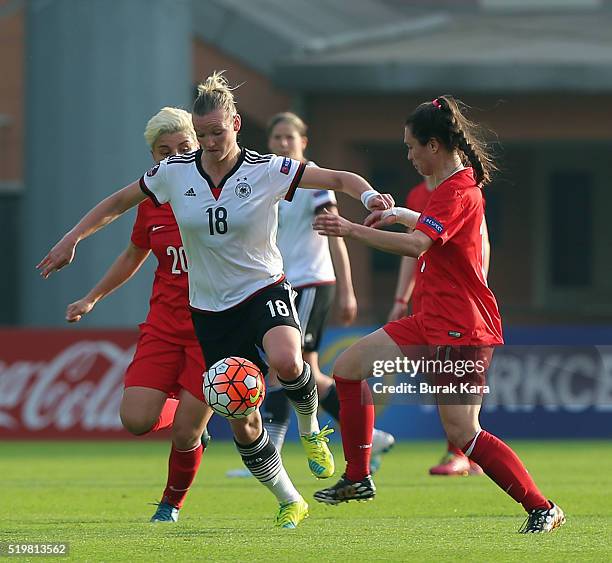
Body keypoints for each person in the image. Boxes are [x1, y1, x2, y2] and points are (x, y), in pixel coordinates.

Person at [37, 71, 393, 529]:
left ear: (237, 124)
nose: (207, 142)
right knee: (243, 419)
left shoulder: (269, 169)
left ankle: (310, 431)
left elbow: (340, 177)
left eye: (215, 132)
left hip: (263, 288)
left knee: (288, 358)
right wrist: (72, 239)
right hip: (210, 311)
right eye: (201, 134)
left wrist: (369, 195)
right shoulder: (173, 174)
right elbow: (117, 202)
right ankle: (289, 498)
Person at [312, 96, 565, 534]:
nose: (408, 156)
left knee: (465, 432)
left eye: (412, 147)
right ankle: (358, 476)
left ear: (433, 145)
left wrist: (351, 230)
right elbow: (432, 228)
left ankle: (542, 507)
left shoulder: (459, 189)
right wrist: (397, 214)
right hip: (429, 319)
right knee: (348, 367)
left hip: (461, 327)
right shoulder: (451, 189)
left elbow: (418, 245)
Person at [64, 107, 213, 523]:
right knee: (135, 419)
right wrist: (92, 297)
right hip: (164, 326)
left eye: (184, 147)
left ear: (198, 145)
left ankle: (170, 505)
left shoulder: (221, 193)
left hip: (212, 326)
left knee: (185, 433)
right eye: (163, 150)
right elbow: (134, 253)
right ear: (153, 156)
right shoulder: (152, 201)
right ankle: (199, 416)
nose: (174, 156)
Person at [227, 112, 395, 478]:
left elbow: (335, 232)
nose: (283, 144)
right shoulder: (269, 178)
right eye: (277, 138)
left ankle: (269, 454)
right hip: (282, 284)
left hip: (309, 283)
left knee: (280, 367)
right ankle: (371, 434)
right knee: (310, 374)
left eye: (290, 137)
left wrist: (348, 289)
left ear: (304, 142)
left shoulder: (314, 182)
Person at [390, 175, 488, 477]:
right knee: (440, 378)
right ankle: (466, 453)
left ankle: (460, 451)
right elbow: (414, 246)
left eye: (414, 147)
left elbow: (480, 242)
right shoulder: (418, 193)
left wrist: (474, 289)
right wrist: (400, 297)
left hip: (457, 304)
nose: (411, 157)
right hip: (427, 298)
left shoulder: (464, 193)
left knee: (456, 381)